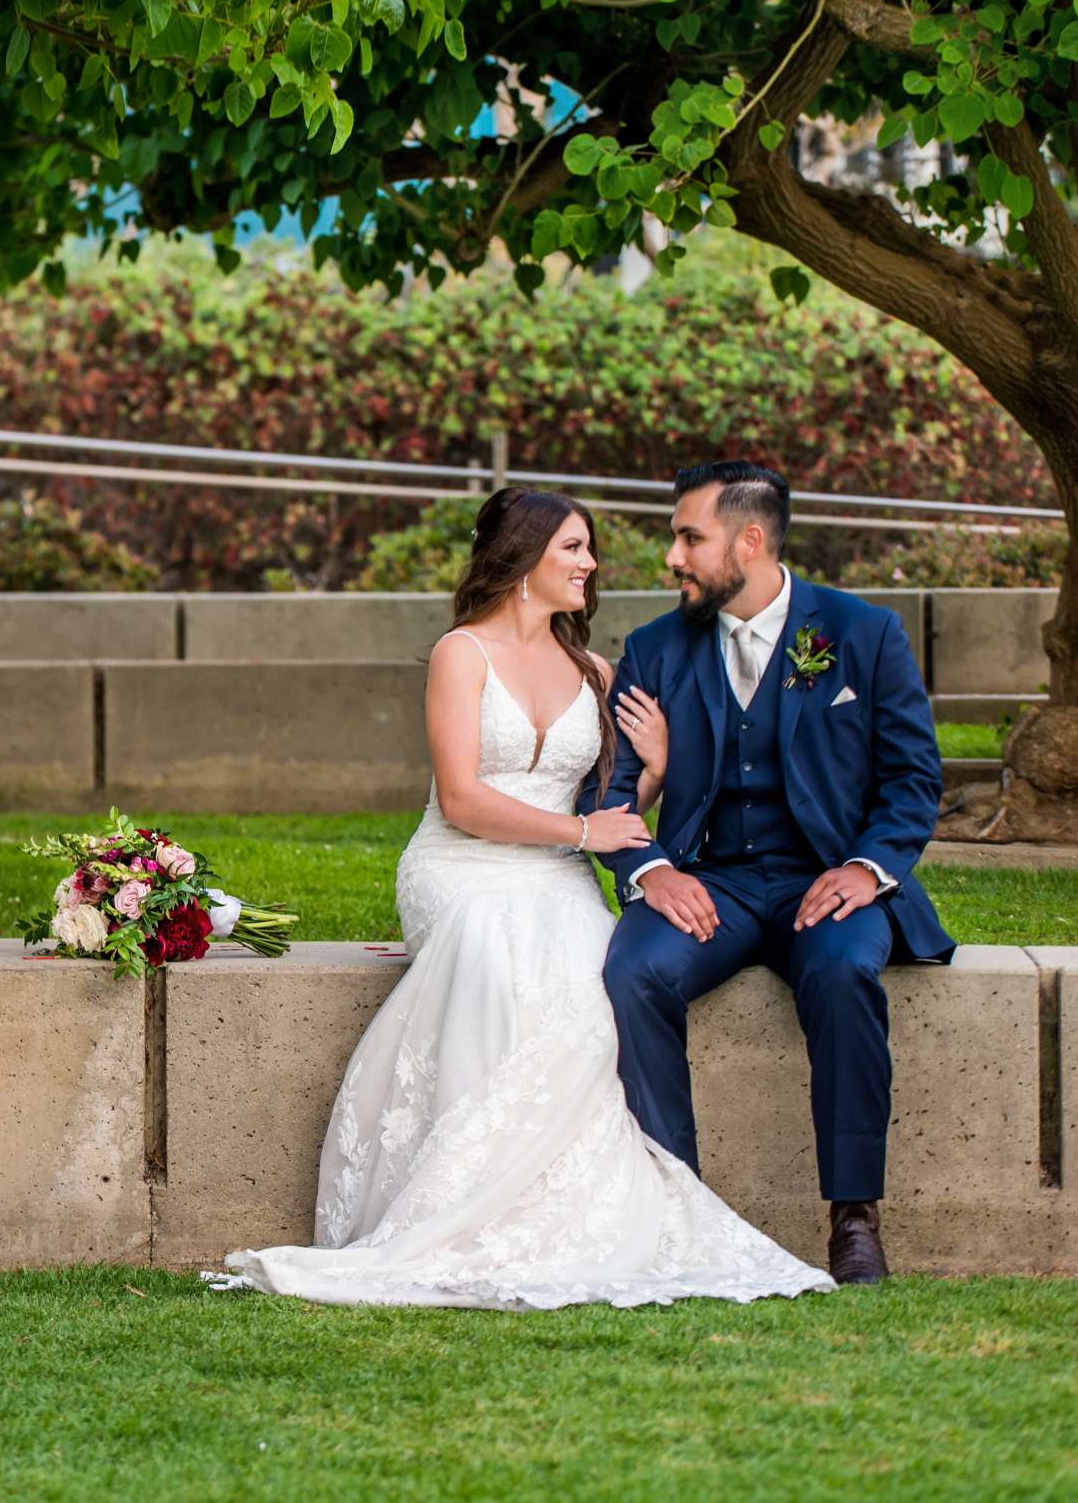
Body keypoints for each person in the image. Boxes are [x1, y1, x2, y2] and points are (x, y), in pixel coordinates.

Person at [207, 486, 835, 1310]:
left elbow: (609, 814)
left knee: (592, 982)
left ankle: (567, 1212)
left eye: (588, 550)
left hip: (553, 873)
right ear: (525, 556)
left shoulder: (595, 670)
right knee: (495, 953)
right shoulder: (460, 654)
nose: (590, 564)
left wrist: (652, 771)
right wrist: (582, 837)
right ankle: (459, 1202)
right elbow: (464, 800)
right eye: (574, 548)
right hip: (458, 868)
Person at [596, 461, 954, 1286]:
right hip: (708, 879)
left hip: (826, 880)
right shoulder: (654, 650)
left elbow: (912, 780)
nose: (671, 557)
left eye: (689, 537)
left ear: (749, 540)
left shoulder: (862, 634)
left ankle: (855, 1218)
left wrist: (869, 870)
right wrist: (650, 871)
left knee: (842, 973)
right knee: (635, 971)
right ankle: (676, 1207)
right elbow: (609, 794)